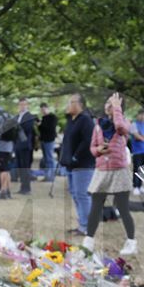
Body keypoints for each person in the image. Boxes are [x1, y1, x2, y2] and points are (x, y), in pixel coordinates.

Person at [82, 93, 138, 256]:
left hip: (119, 170)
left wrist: (117, 109)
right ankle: (89, 241)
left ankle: (131, 242)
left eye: (113, 102)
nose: (109, 104)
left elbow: (120, 128)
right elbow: (92, 147)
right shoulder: (98, 124)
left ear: (120, 106)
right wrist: (98, 150)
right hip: (102, 170)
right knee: (95, 206)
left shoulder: (124, 121)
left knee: (122, 207)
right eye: (108, 102)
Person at [60, 94, 95, 235]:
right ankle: (82, 224)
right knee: (75, 194)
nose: (68, 105)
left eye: (71, 102)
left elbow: (88, 141)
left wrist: (75, 156)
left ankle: (87, 226)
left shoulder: (86, 120)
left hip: (83, 164)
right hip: (70, 164)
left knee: (82, 195)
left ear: (79, 104)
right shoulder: (71, 120)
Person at [13, 98, 37, 195]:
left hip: (25, 146)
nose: (22, 106)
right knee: (20, 167)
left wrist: (16, 127)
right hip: (17, 145)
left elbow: (28, 129)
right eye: (20, 104)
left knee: (25, 167)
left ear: (27, 105)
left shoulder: (30, 116)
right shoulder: (17, 116)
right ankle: (22, 186)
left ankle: (27, 188)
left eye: (24, 104)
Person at [130, 110, 144, 194]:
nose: (143, 116)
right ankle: (135, 187)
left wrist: (142, 135)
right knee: (137, 169)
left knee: (143, 169)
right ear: (137, 115)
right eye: (141, 114)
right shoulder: (134, 124)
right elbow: (136, 137)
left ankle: (140, 186)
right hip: (137, 151)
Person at [38, 103, 58, 182]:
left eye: (43, 109)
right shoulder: (43, 117)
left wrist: (41, 125)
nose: (43, 111)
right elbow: (42, 130)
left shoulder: (53, 117)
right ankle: (47, 176)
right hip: (43, 140)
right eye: (41, 110)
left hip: (49, 140)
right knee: (45, 159)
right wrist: (40, 125)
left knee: (50, 159)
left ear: (47, 108)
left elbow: (50, 128)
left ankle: (51, 177)